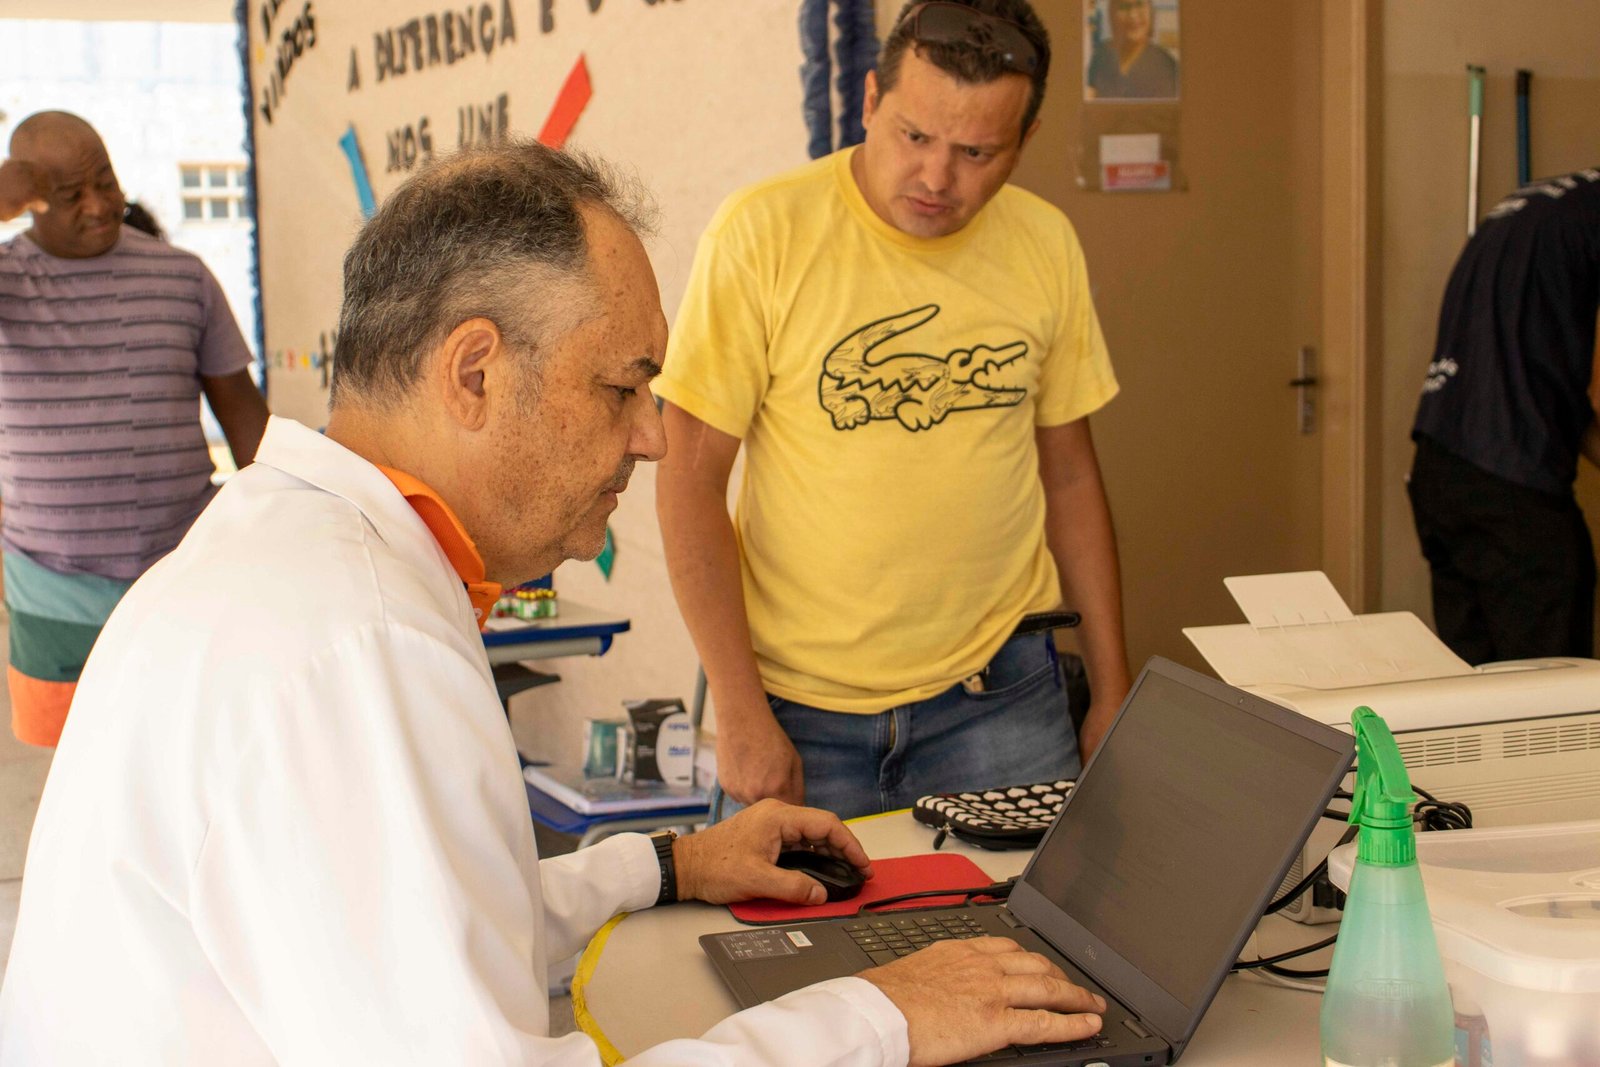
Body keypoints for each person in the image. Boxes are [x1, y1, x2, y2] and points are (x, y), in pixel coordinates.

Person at [0, 140, 1107, 1066]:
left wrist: (663, 866)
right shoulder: (356, 638)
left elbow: (433, 930)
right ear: (473, 374)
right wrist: (881, 1014)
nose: (654, 435)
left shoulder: (298, 555)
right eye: (621, 384)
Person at [655, 0, 1131, 824]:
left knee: (1026, 948)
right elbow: (689, 481)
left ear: (1026, 138)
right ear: (871, 101)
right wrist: (737, 711)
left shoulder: (1045, 244)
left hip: (1001, 699)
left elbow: (1072, 476)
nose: (938, 178)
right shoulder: (762, 233)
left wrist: (1113, 684)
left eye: (977, 152)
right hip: (798, 714)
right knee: (793, 952)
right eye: (915, 136)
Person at [0, 111, 268, 747]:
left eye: (106, 182)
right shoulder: (8, 281)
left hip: (185, 571)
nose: (98, 206)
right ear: (30, 201)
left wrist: (287, 523)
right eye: (70, 196)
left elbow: (246, 420)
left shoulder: (183, 276)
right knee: (71, 771)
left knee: (191, 750)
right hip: (51, 586)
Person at [1408, 168, 1600, 665]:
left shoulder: (1537, 204)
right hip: (1512, 490)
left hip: (1441, 467)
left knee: (1481, 693)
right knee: (1549, 705)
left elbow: (1539, 374)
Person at [1084, 0, 1178, 101]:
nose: (1132, 15)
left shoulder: (1166, 65)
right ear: (1112, 14)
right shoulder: (1100, 56)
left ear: (1150, 11)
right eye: (1124, 7)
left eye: (1139, 5)